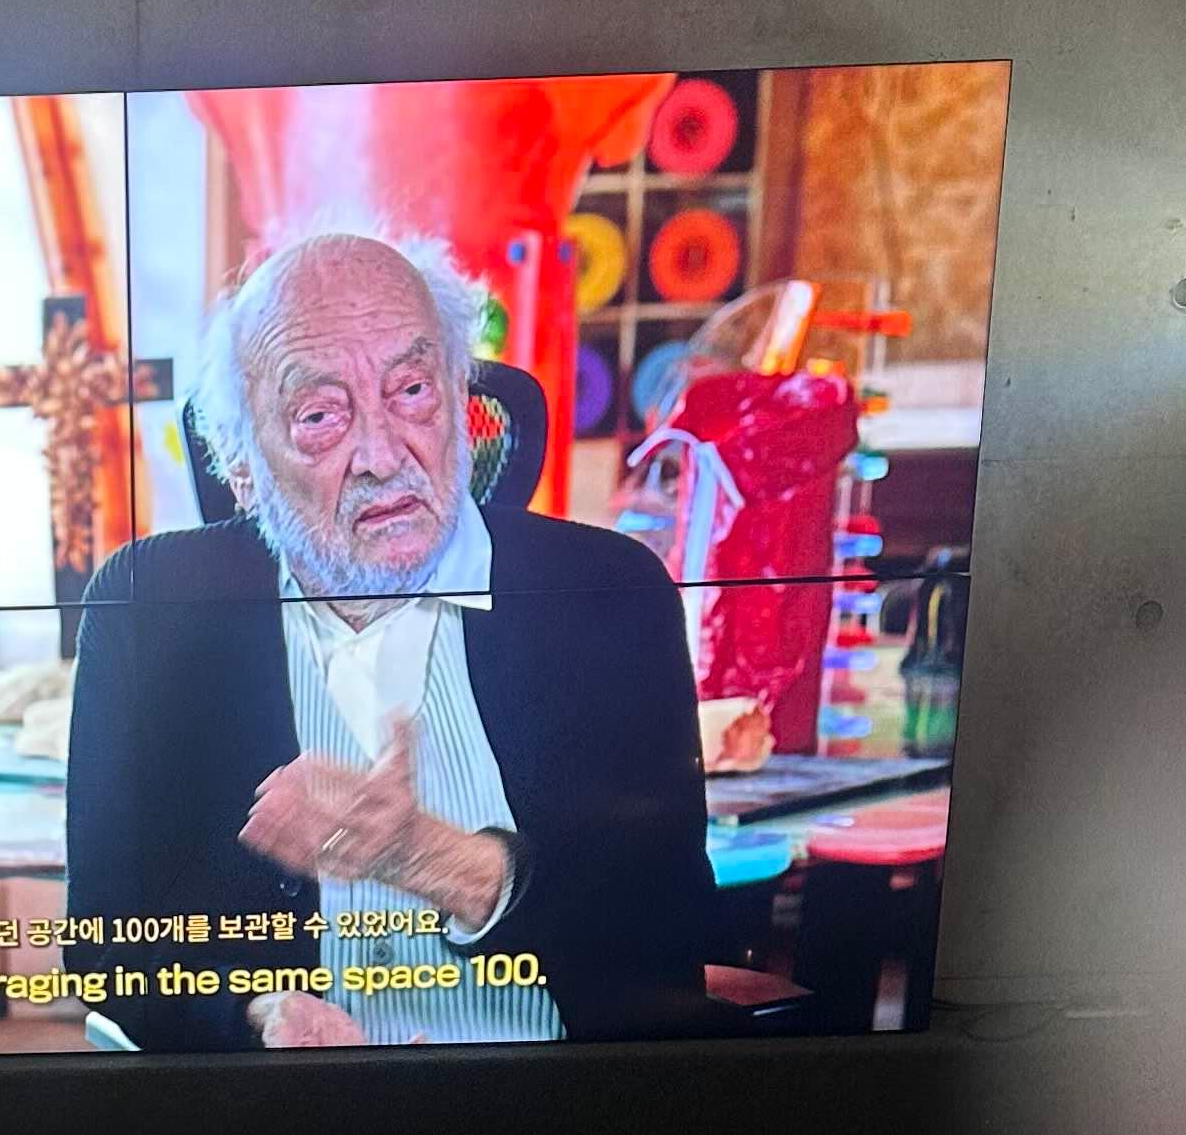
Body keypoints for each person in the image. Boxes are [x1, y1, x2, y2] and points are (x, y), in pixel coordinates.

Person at [64, 227, 711, 1050]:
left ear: (461, 395)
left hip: (547, 1110)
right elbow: (108, 954)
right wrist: (255, 1017)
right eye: (320, 416)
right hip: (287, 1119)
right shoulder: (149, 608)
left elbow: (671, 935)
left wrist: (434, 858)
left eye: (411, 390)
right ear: (240, 464)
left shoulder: (607, 594)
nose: (380, 454)